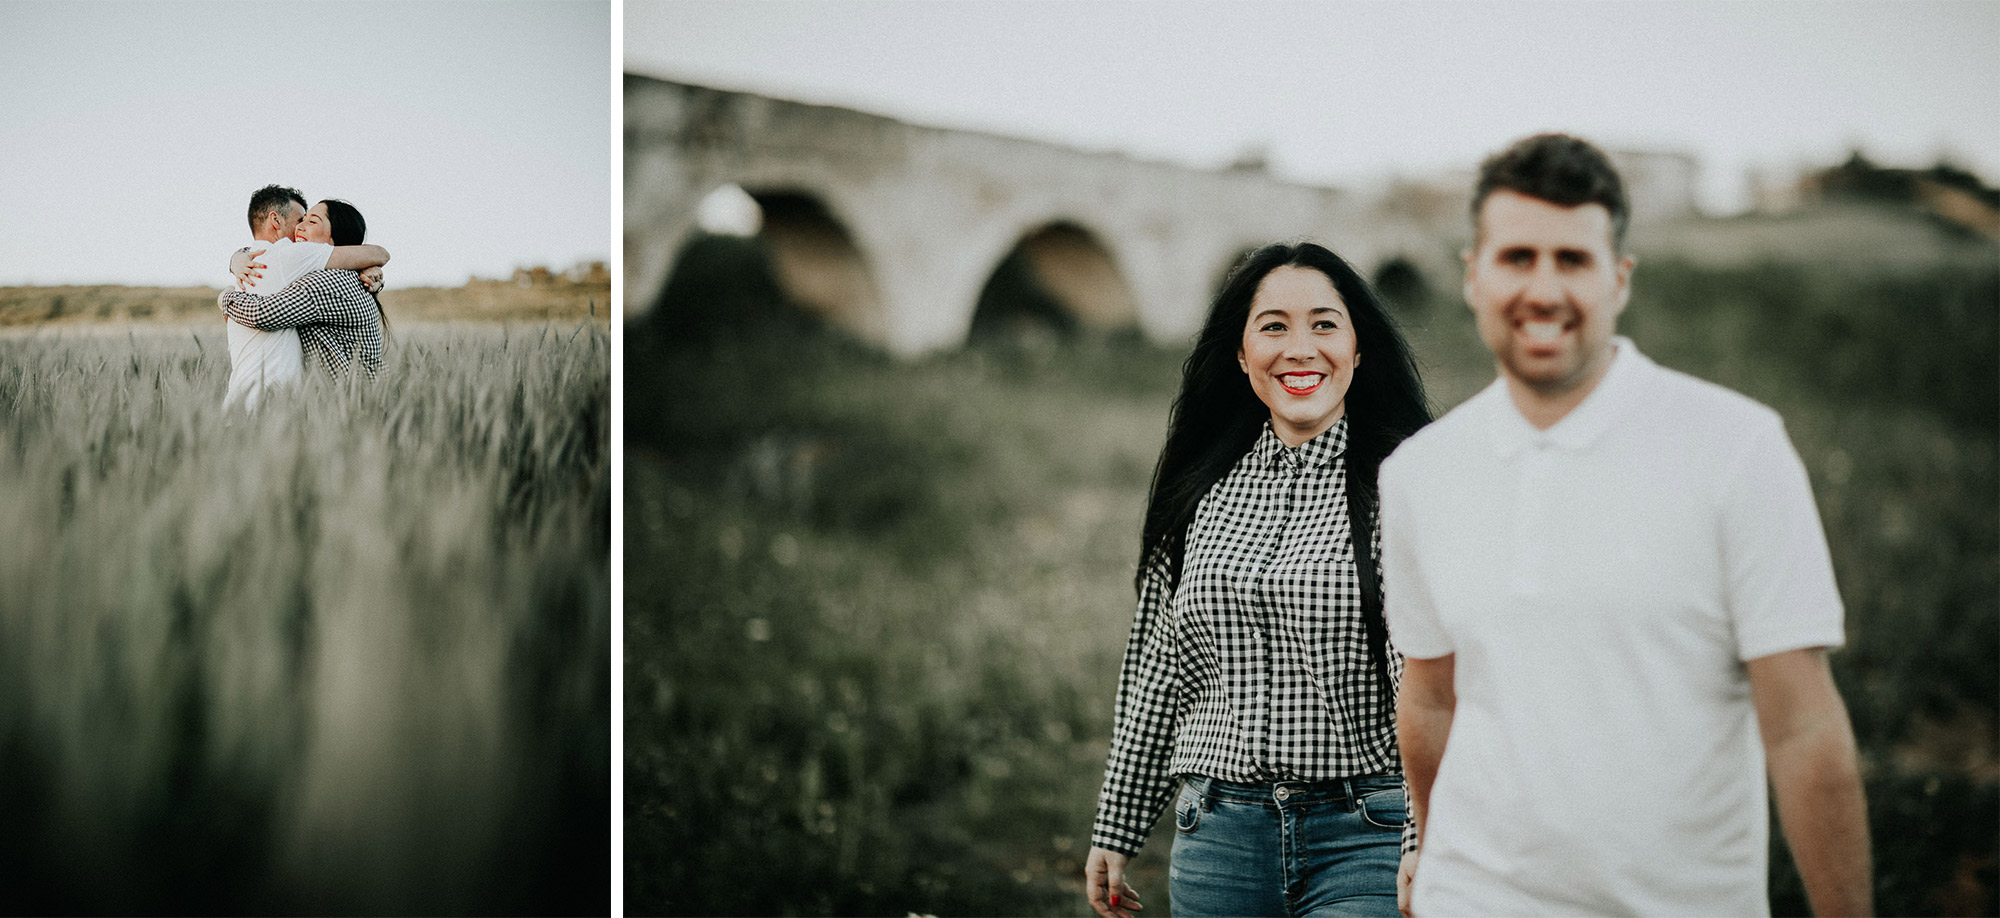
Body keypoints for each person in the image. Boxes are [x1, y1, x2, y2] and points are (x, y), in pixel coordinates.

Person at [1384, 133, 1872, 917]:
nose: (1543, 290)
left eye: (1572, 260)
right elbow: (1431, 699)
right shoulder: (1419, 473)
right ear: (1473, 275)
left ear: (1621, 278)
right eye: (1517, 258)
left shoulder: (1737, 448)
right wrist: (1429, 849)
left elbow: (1804, 727)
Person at [1085, 242, 1432, 918]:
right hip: (1218, 837)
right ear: (1243, 355)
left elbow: (1429, 684)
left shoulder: (1408, 489)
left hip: (1369, 833)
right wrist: (1116, 828)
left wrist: (1427, 836)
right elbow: (1159, 671)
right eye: (1274, 325)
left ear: (1359, 350)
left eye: (1324, 324)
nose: (1299, 347)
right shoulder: (1200, 495)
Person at [220, 193, 391, 385]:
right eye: (302, 219)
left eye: (311, 222)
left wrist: (226, 297)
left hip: (355, 400)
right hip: (357, 397)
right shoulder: (341, 275)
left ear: (336, 234)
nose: (299, 227)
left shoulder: (326, 282)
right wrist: (238, 257)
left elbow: (261, 314)